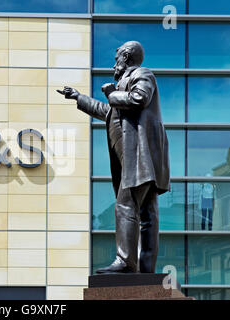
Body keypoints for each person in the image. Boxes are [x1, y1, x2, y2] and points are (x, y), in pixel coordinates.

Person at [57, 41, 170, 273]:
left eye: (117, 57)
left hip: (139, 157)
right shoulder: (123, 87)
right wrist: (79, 97)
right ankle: (145, 269)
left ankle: (126, 262)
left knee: (125, 205)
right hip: (138, 160)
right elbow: (108, 112)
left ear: (126, 57)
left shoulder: (141, 74)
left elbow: (140, 99)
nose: (114, 63)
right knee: (147, 215)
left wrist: (112, 93)